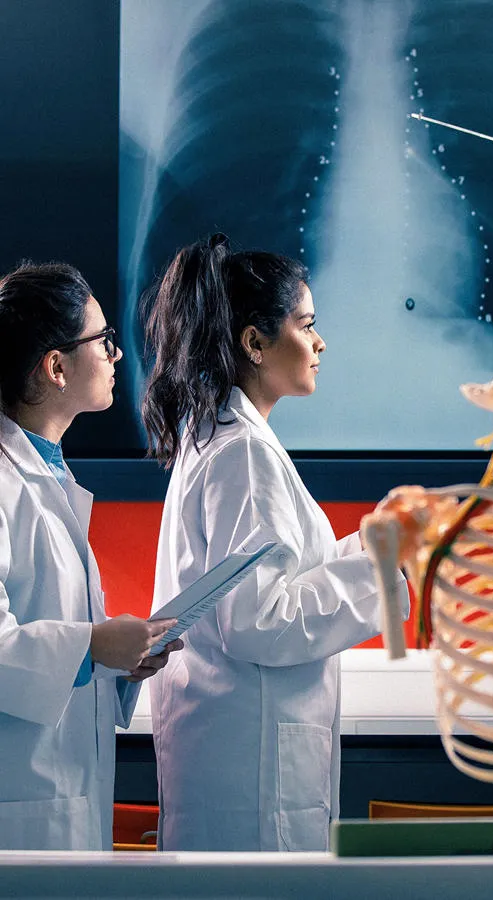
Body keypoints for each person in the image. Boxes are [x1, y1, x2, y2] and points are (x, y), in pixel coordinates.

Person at [141, 233, 406, 852]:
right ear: (255, 342)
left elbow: (270, 579)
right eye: (307, 324)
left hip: (233, 752)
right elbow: (258, 618)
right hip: (251, 776)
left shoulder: (222, 438)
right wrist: (381, 567)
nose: (319, 343)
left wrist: (367, 548)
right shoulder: (244, 454)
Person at [0, 261, 181, 850]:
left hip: (58, 791)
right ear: (56, 366)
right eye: (101, 341)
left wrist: (113, 664)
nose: (118, 354)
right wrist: (92, 644)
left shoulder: (47, 473)